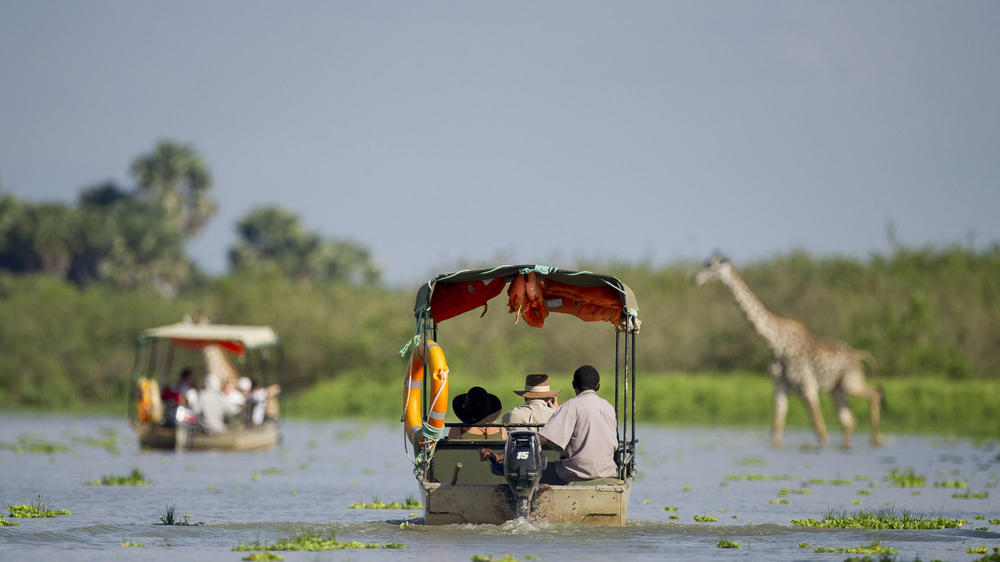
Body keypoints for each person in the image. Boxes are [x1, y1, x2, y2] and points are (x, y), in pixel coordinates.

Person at [481, 365, 618, 484]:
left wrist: (500, 456)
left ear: (573, 385)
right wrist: (557, 411)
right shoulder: (608, 408)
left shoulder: (570, 407)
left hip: (574, 473)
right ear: (598, 386)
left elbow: (541, 439)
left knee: (530, 472)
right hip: (608, 471)